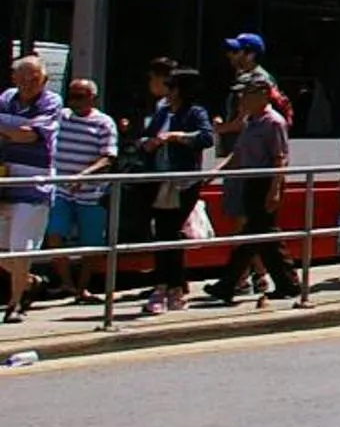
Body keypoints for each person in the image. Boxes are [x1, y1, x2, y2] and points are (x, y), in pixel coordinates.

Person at [206, 69, 301, 305]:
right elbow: (238, 154)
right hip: (250, 182)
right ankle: (286, 283)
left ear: (263, 95)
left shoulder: (273, 123)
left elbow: (280, 159)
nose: (242, 100)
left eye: (246, 94)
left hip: (266, 182)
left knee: (257, 234)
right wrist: (217, 171)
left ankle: (228, 284)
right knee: (260, 236)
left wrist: (275, 189)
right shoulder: (250, 122)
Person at [135, 63, 213, 315]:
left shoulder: (195, 112)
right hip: (159, 179)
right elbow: (144, 137)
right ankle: (167, 287)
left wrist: (177, 137)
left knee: (172, 232)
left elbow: (206, 137)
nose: (166, 90)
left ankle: (170, 288)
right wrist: (148, 143)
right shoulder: (163, 112)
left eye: (171, 86)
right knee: (163, 232)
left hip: (183, 182)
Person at [46, 77, 120, 307]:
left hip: (91, 193)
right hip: (60, 189)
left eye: (79, 96)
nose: (73, 101)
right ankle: (66, 282)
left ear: (92, 98)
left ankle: (82, 288)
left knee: (91, 243)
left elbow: (108, 156)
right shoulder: (61, 117)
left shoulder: (104, 123)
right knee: (54, 234)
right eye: (71, 95)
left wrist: (84, 176)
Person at [0, 54, 62, 324]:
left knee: (20, 247)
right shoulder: (6, 98)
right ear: (14, 78)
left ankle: (15, 304)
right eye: (22, 77)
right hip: (5, 179)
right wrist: (15, 130)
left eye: (34, 78)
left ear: (45, 80)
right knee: (3, 250)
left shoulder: (51, 101)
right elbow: (21, 132)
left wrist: (9, 131)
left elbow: (31, 135)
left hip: (35, 184)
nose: (28, 82)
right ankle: (30, 281)